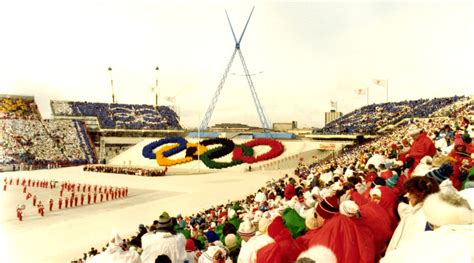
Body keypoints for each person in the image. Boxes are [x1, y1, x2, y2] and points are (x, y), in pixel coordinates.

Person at [386, 176, 440, 252]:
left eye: (411, 192)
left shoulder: (422, 218)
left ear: (421, 193)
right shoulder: (417, 212)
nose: (407, 195)